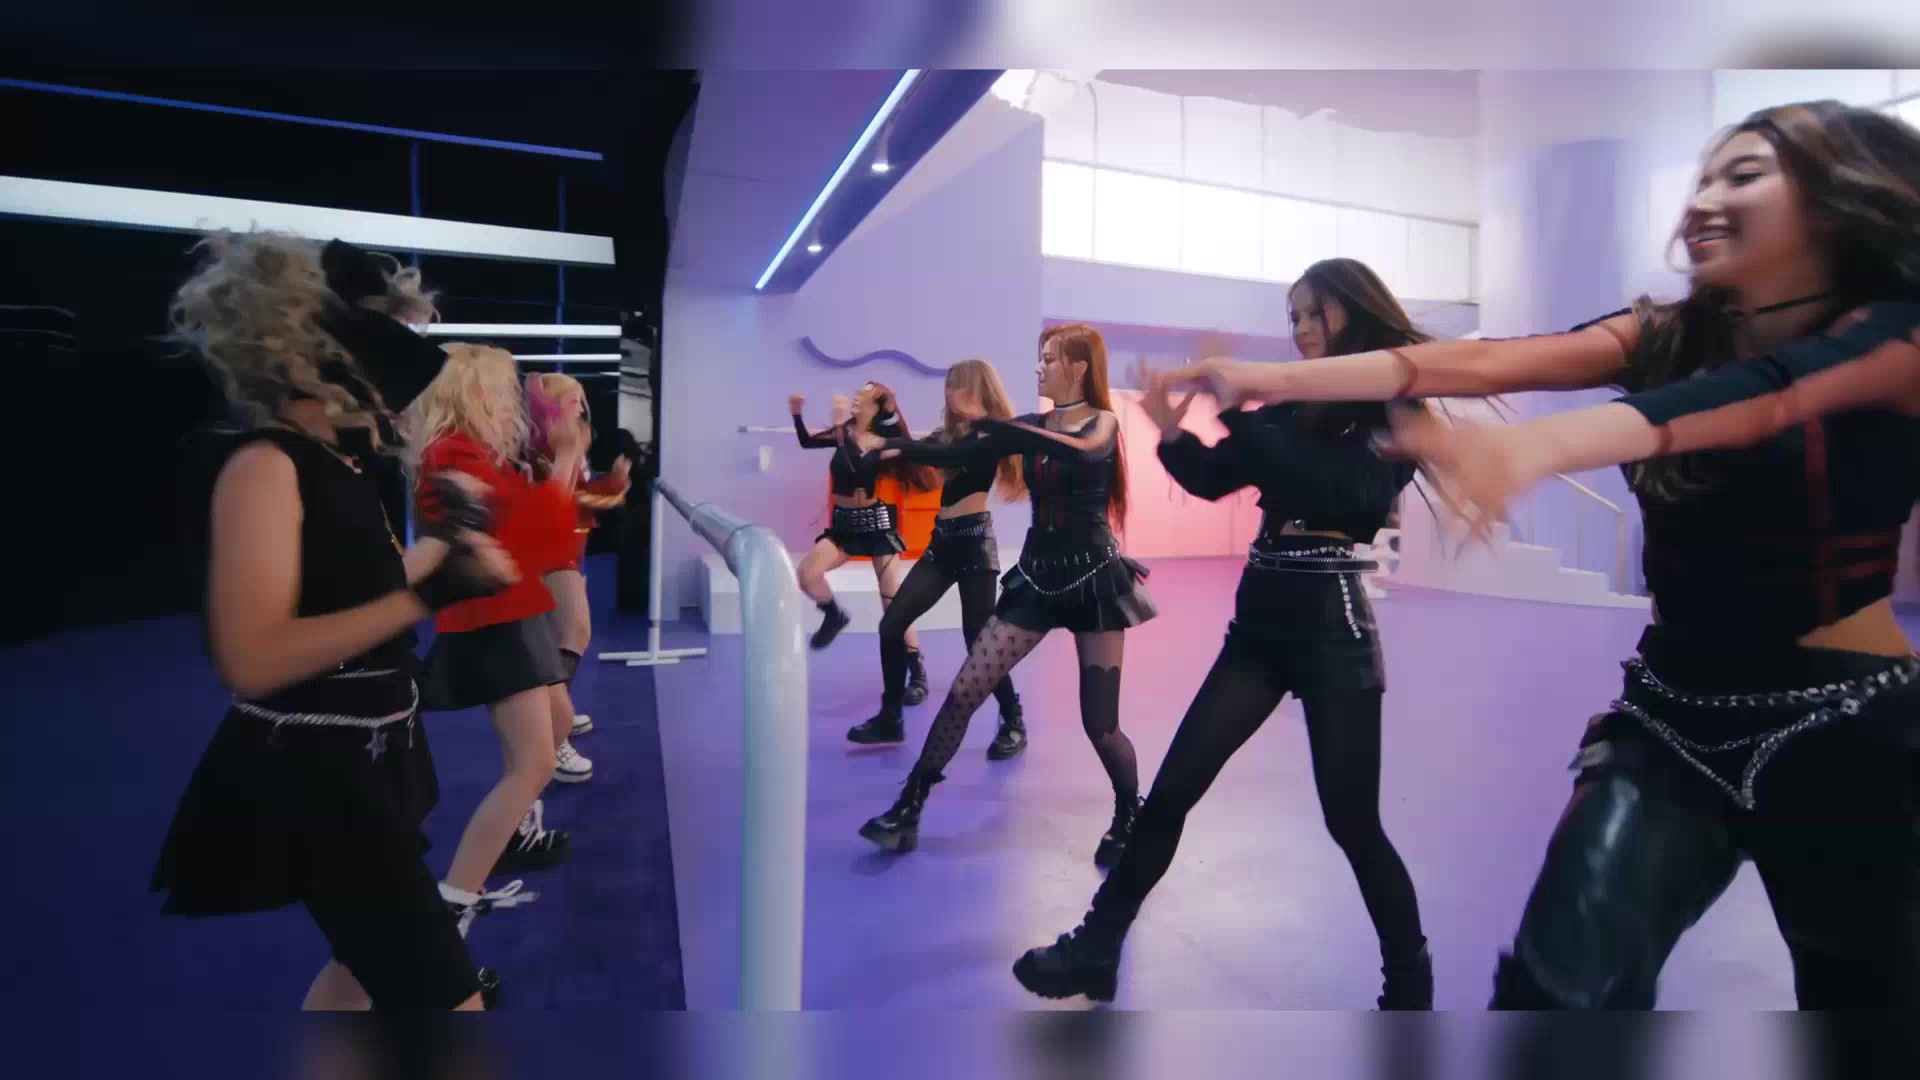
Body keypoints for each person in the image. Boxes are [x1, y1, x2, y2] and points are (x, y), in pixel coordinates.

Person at [1162, 100, 1920, 1008]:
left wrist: (1534, 448)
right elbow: (1479, 363)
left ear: (1836, 197)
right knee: (1552, 998)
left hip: (1843, 726)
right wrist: (1267, 377)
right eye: (1704, 177)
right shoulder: (1668, 333)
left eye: (1744, 175)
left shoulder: (1894, 337)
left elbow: (1767, 397)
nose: (1705, 200)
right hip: (1671, 720)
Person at [1013, 259, 1435, 1008]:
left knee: (1352, 822)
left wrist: (1241, 409)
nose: (1302, 329)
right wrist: (1173, 429)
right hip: (1261, 621)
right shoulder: (1289, 405)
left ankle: (1409, 986)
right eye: (1293, 316)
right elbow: (1214, 478)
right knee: (1174, 788)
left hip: (1331, 622)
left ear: (1355, 312)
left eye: (1315, 313)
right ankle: (1098, 945)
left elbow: (1336, 489)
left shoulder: (1389, 404)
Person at [151, 230, 514, 1010]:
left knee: (358, 970)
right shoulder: (265, 465)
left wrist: (446, 548)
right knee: (451, 1002)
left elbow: (365, 593)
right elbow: (252, 660)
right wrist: (430, 593)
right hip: (320, 777)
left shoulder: (340, 467)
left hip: (374, 757)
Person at [859, 324, 1156, 864]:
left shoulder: (1102, 422)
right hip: (1036, 580)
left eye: (1050, 358)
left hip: (1094, 582)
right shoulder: (1029, 426)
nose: (1039, 367)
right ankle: (908, 808)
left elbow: (1085, 451)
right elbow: (950, 453)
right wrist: (891, 443)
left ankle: (1129, 813)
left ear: (1079, 368)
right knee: (964, 691)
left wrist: (1004, 428)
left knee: (1100, 725)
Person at [405, 344, 583, 936]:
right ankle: (455, 905)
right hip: (495, 616)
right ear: (475, 390)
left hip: (512, 611)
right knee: (532, 764)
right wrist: (565, 460)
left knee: (556, 725)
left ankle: (511, 834)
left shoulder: (468, 452)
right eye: (502, 388)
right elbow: (535, 533)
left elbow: (541, 532)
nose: (510, 401)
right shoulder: (453, 454)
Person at [845, 359, 1031, 759]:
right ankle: (890, 718)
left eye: (956, 384)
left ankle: (1013, 719)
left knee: (978, 640)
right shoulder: (948, 435)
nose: (948, 392)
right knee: (892, 624)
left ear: (975, 390)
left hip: (975, 545)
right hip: (942, 544)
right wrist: (889, 417)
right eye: (947, 384)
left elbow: (946, 457)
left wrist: (885, 443)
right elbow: (918, 452)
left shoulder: (990, 436)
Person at [789, 382, 940, 709]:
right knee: (807, 574)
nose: (856, 398)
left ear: (876, 407)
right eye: (856, 395)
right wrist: (797, 415)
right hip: (844, 526)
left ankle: (917, 671)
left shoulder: (882, 443)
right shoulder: (842, 432)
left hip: (876, 525)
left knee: (893, 605)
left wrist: (842, 428)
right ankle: (834, 615)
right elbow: (807, 442)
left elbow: (855, 465)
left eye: (864, 397)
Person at [526, 372, 632, 779]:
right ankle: (553, 734)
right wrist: (607, 482)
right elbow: (564, 497)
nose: (580, 407)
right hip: (549, 549)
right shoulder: (541, 447)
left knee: (563, 637)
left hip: (567, 546)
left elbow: (580, 495)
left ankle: (558, 715)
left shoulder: (561, 443)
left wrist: (613, 482)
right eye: (572, 400)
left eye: (580, 400)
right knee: (573, 630)